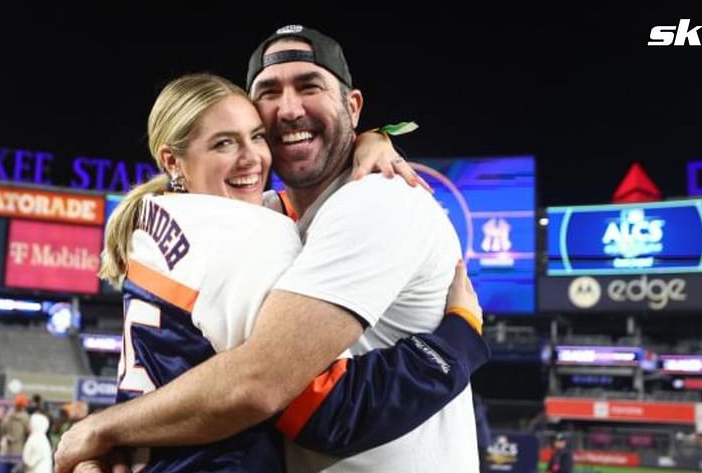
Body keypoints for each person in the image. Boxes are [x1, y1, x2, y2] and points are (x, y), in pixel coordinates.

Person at [55, 29, 487, 471]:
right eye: (268, 93)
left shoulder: (371, 200)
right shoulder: (247, 227)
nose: (289, 109)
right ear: (173, 161)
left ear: (352, 106)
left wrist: (109, 434)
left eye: (309, 86)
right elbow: (280, 392)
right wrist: (460, 342)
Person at [0, 394, 31, 473]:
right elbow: (28, 432)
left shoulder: (8, 415)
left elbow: (2, 429)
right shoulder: (25, 417)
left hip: (6, 449)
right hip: (18, 449)